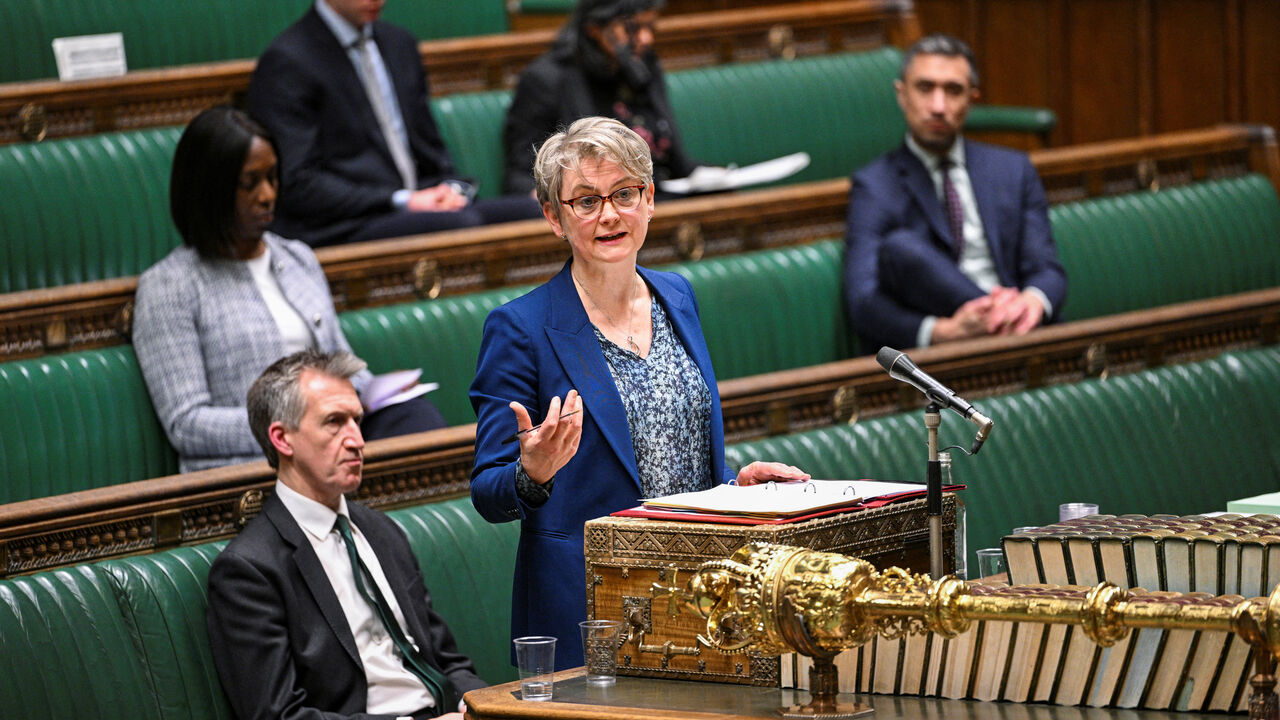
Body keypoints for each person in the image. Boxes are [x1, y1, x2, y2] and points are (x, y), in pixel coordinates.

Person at [470, 117, 809, 669]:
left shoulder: (676, 295)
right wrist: (530, 476)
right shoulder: (519, 329)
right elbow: (488, 492)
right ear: (554, 217)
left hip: (699, 597)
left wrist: (732, 485)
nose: (609, 214)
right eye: (585, 201)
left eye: (624, 193)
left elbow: (669, 457)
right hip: (590, 611)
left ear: (649, 200)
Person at [133, 106, 446, 473]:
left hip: (331, 437)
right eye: (249, 183)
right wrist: (294, 425)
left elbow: (341, 362)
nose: (267, 195)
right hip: (257, 463)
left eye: (272, 178)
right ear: (209, 190)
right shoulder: (169, 287)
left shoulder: (297, 258)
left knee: (416, 419)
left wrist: (368, 390)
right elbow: (186, 425)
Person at [207, 350, 484, 720]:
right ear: (282, 439)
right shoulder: (249, 570)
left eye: (357, 420)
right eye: (334, 422)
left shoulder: (380, 531)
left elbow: (447, 660)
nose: (357, 441)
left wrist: (484, 706)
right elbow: (277, 715)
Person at [247, 0, 540, 247]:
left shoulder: (398, 44)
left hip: (422, 205)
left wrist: (447, 189)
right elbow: (298, 183)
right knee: (460, 224)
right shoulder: (288, 61)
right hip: (347, 222)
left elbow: (429, 146)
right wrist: (402, 200)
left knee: (536, 212)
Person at [843, 34, 1067, 352]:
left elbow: (1047, 270)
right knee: (901, 248)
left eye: (953, 91)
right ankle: (994, 317)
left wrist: (1030, 303)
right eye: (925, 88)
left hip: (1025, 334)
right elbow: (863, 302)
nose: (938, 106)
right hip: (947, 353)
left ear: (971, 99)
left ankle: (999, 318)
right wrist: (945, 331)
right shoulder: (875, 185)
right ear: (901, 95)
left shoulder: (1012, 169)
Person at [502, 0, 699, 196]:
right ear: (594, 29)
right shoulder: (547, 79)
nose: (646, 38)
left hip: (658, 193)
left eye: (650, 27)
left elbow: (674, 157)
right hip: (596, 202)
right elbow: (522, 175)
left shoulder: (644, 65)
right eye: (633, 28)